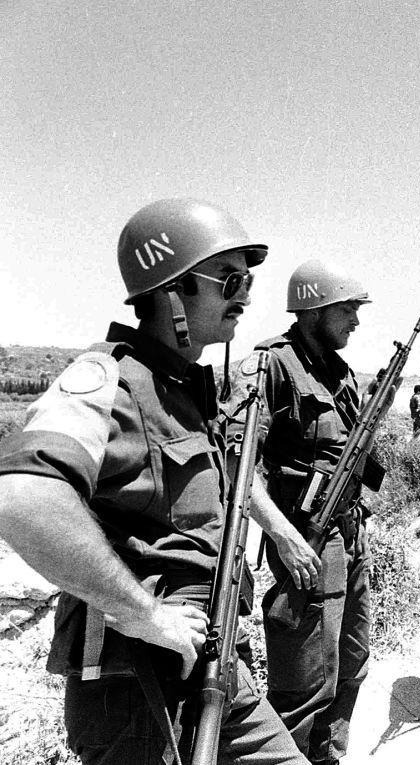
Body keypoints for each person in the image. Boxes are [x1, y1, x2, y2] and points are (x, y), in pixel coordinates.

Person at [0, 199, 306, 763]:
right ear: (173, 291)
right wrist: (146, 614)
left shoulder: (185, 389)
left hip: (212, 665)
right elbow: (22, 497)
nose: (245, 294)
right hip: (135, 683)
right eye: (230, 279)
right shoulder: (109, 378)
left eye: (249, 279)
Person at [249, 259, 378, 764]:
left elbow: (348, 457)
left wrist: (360, 513)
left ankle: (327, 757)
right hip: (305, 542)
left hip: (347, 536)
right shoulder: (272, 364)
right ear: (314, 308)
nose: (356, 320)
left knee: (352, 661)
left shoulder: (339, 371)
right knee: (304, 681)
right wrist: (282, 537)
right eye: (347, 309)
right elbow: (239, 465)